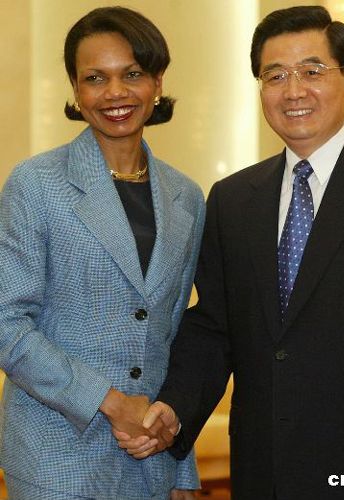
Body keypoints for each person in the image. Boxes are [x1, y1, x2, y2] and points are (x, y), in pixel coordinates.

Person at [114, 5, 344, 500]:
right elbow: (215, 327)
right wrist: (175, 408)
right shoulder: (234, 199)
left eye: (312, 71)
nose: (294, 91)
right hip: (261, 471)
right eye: (275, 75)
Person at [0, 6, 204, 500]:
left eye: (131, 74)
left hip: (152, 456)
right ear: (76, 89)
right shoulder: (36, 184)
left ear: (157, 82)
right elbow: (6, 323)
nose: (115, 93)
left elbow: (175, 337)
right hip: (56, 459)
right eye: (95, 78)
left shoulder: (186, 196)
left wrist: (182, 466)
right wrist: (109, 401)